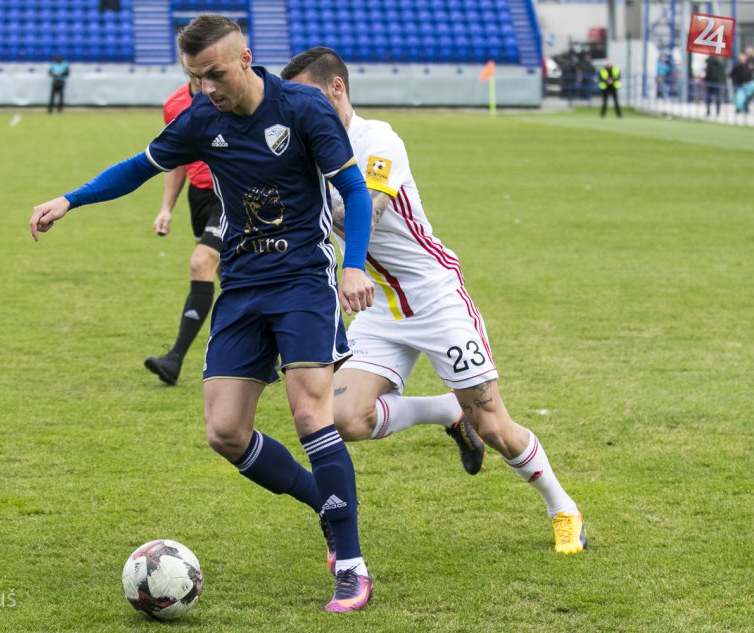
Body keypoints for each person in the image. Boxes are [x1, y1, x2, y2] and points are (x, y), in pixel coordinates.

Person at [29, 15, 377, 612]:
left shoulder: (302, 109)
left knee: (309, 411)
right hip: (241, 285)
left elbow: (355, 190)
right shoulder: (200, 119)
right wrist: (70, 199)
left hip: (302, 279)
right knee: (225, 432)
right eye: (195, 77)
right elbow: (139, 167)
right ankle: (324, 504)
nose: (206, 87)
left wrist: (354, 265)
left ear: (244, 58)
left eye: (214, 74)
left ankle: (351, 565)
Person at [281, 47, 588, 555]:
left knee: (494, 426)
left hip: (435, 297)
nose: (301, 111)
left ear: (337, 87)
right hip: (380, 304)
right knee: (342, 417)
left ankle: (563, 508)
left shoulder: (377, 139)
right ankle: (446, 410)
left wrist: (334, 244)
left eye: (308, 97)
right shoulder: (309, 154)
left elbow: (370, 209)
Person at [144, 72, 221, 385]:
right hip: (198, 196)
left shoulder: (228, 95)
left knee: (202, 262)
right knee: (230, 276)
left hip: (231, 193)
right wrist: (166, 208)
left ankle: (174, 358)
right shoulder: (174, 104)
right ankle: (266, 353)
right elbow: (174, 160)